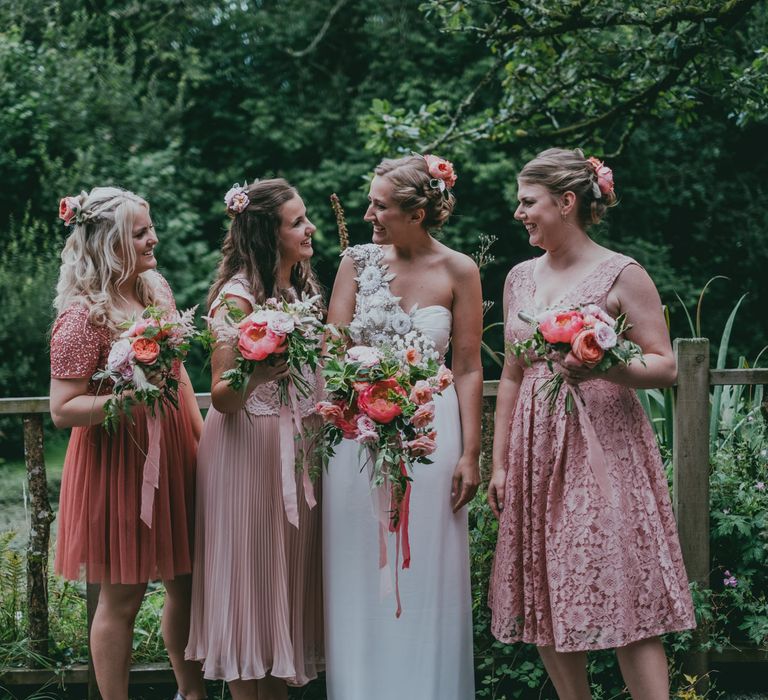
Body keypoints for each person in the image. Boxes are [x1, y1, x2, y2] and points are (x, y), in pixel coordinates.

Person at [488, 148, 696, 699]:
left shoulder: (622, 272)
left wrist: (607, 363)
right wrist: (501, 462)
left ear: (567, 201)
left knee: (625, 584)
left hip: (605, 444)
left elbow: (665, 365)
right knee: (544, 589)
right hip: (536, 449)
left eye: (528, 202)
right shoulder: (518, 279)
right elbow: (511, 376)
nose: (520, 213)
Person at [323, 154, 482, 700]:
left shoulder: (460, 269)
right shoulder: (356, 261)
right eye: (370, 202)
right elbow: (332, 347)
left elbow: (466, 366)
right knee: (358, 563)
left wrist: (471, 454)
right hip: (356, 431)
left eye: (381, 205)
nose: (369, 212)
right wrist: (358, 396)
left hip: (431, 436)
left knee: (427, 570)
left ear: (417, 212)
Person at [50, 187, 205, 700]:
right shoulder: (81, 316)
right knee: (122, 597)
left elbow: (176, 375)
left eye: (150, 227)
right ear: (112, 243)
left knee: (187, 582)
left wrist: (200, 443)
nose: (153, 238)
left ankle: (192, 693)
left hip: (176, 450)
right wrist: (126, 405)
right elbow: (62, 409)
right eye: (141, 233)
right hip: (117, 463)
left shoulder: (155, 289)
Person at [185, 179, 324, 700]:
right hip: (249, 450)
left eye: (306, 218)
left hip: (300, 450)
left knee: (283, 587)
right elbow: (222, 394)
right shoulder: (236, 298)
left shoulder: (299, 290)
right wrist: (263, 374)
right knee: (251, 588)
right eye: (297, 222)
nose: (309, 229)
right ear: (269, 232)